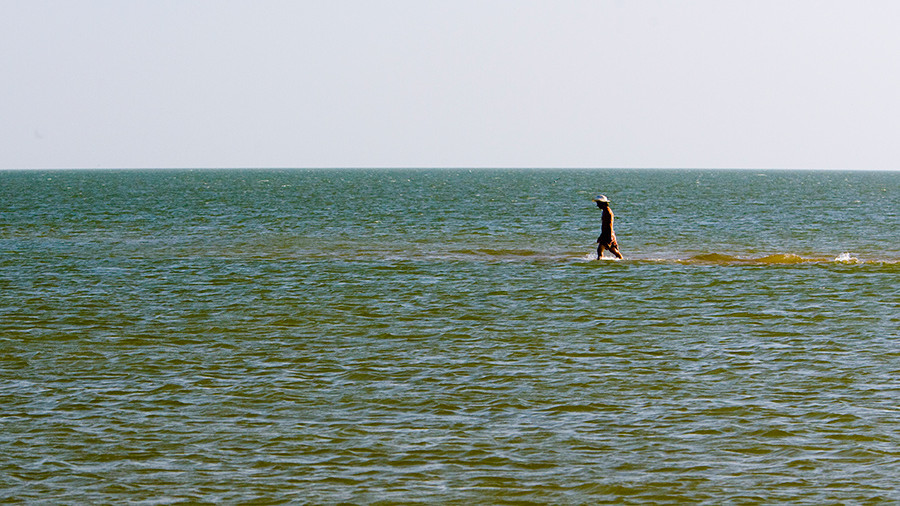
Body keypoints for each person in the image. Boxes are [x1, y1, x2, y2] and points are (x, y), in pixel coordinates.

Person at [593, 195, 623, 259]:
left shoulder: (607, 212)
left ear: (603, 203)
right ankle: (621, 260)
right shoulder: (605, 211)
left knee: (600, 251)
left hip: (607, 234)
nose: (597, 205)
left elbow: (609, 225)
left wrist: (609, 238)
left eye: (598, 203)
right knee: (614, 251)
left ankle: (599, 264)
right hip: (607, 234)